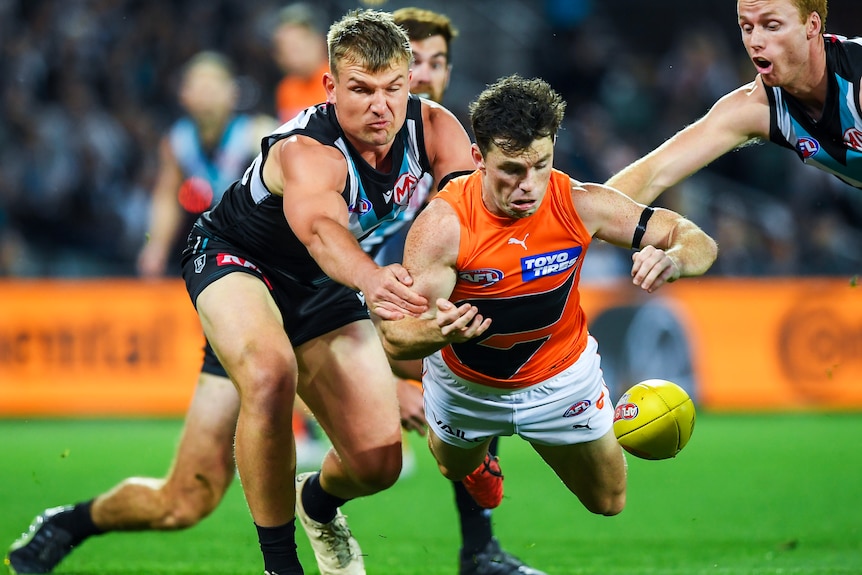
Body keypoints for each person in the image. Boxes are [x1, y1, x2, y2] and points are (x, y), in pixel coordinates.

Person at [379, 75, 718, 546]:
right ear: (478, 159)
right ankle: (480, 463)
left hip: (560, 376)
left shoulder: (580, 203)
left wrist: (674, 257)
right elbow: (396, 337)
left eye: (541, 165)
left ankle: (521, 439)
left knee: (609, 501)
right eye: (512, 170)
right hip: (468, 384)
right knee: (452, 465)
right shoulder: (442, 225)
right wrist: (439, 330)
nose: (529, 185)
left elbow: (697, 240)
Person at [605, 0, 862, 206]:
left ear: (812, 25)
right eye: (747, 28)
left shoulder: (856, 79)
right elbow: (655, 172)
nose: (755, 42)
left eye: (771, 25)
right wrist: (574, 221)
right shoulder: (757, 106)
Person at [137, 50, 276, 278]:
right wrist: (155, 246)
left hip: (259, 241)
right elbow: (166, 196)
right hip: (208, 237)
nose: (206, 90)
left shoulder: (259, 134)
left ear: (234, 93)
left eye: (214, 83)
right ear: (184, 94)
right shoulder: (177, 140)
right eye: (198, 84)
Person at [271, 3, 329, 123]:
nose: (292, 56)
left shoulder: (339, 81)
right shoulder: (285, 89)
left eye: (297, 47)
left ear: (318, 42)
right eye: (285, 48)